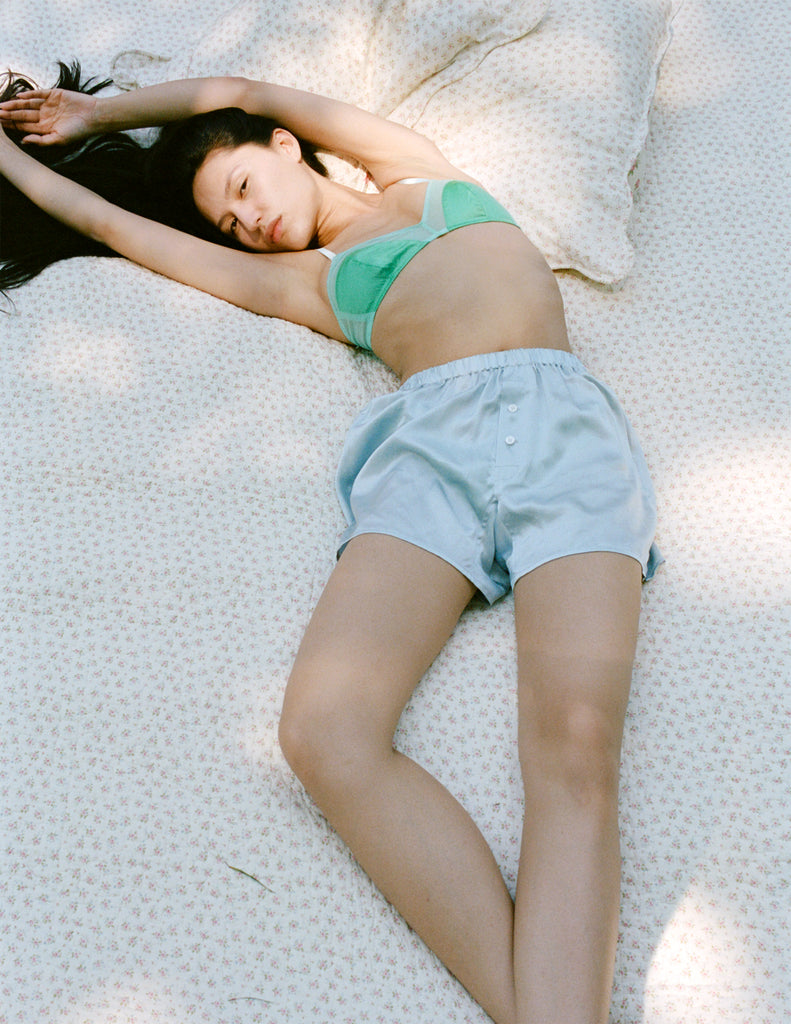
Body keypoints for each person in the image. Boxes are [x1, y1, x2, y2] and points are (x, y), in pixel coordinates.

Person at [0, 67, 661, 1024]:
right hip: (432, 452)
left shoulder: (421, 177)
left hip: (566, 437)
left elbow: (237, 86)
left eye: (238, 190)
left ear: (279, 145)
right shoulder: (307, 285)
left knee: (575, 742)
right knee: (322, 732)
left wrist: (97, 113)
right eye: (225, 226)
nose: (246, 223)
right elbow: (114, 229)